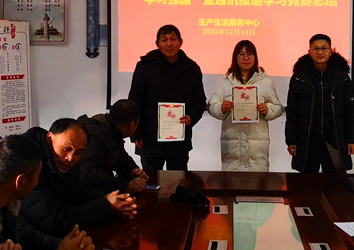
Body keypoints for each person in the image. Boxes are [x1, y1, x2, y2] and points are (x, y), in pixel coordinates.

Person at [20, 118, 137, 237]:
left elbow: (76, 191)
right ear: (49, 138)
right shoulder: (28, 164)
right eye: (67, 149)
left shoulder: (65, 161)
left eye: (79, 152)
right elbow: (54, 220)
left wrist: (110, 199)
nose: (70, 158)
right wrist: (107, 206)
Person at [128, 24, 206, 171]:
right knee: (151, 181)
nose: (169, 44)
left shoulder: (192, 69)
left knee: (177, 181)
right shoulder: (144, 67)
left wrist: (191, 117)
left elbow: (200, 101)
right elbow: (134, 102)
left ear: (180, 42)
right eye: (164, 40)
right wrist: (136, 133)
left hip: (179, 139)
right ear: (157, 44)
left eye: (173, 39)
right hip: (150, 138)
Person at [285, 33, 354, 173]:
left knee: (335, 182)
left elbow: (350, 111)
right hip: (308, 140)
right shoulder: (299, 77)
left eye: (324, 48)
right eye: (316, 48)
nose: (320, 52)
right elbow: (292, 111)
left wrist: (352, 139)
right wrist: (291, 141)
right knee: (307, 183)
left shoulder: (342, 77)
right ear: (309, 51)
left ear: (330, 51)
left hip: (335, 139)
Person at [207, 40, 283, 171]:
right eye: (241, 54)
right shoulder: (225, 81)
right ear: (235, 57)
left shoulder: (265, 81)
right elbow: (211, 106)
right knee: (231, 182)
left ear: (255, 57)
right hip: (232, 150)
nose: (246, 58)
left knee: (258, 182)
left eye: (250, 54)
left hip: (257, 151)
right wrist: (221, 108)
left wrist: (267, 110)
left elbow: (278, 107)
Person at [78, 99, 149, 193]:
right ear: (132, 125)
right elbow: (88, 175)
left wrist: (133, 171)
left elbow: (121, 158)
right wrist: (126, 186)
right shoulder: (96, 134)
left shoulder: (111, 130)